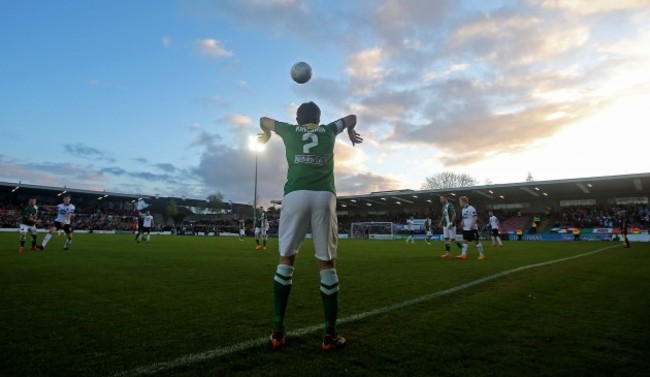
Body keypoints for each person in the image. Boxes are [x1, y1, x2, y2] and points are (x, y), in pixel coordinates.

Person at [259, 101, 362, 351]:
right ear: (319, 117)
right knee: (326, 262)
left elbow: (263, 118)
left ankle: (277, 332)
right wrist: (348, 131)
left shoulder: (290, 130)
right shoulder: (328, 130)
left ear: (297, 119)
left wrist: (266, 134)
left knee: (286, 259)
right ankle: (329, 336)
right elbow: (351, 116)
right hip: (324, 196)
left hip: (295, 194)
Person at [458, 196, 485, 260]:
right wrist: (462, 222)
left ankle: (482, 255)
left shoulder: (471, 208)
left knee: (476, 241)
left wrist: (472, 224)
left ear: (464, 201)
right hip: (465, 228)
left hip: (472, 228)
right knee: (465, 241)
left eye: (460, 202)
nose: (459, 203)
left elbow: (475, 217)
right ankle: (464, 254)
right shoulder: (463, 210)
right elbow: (464, 218)